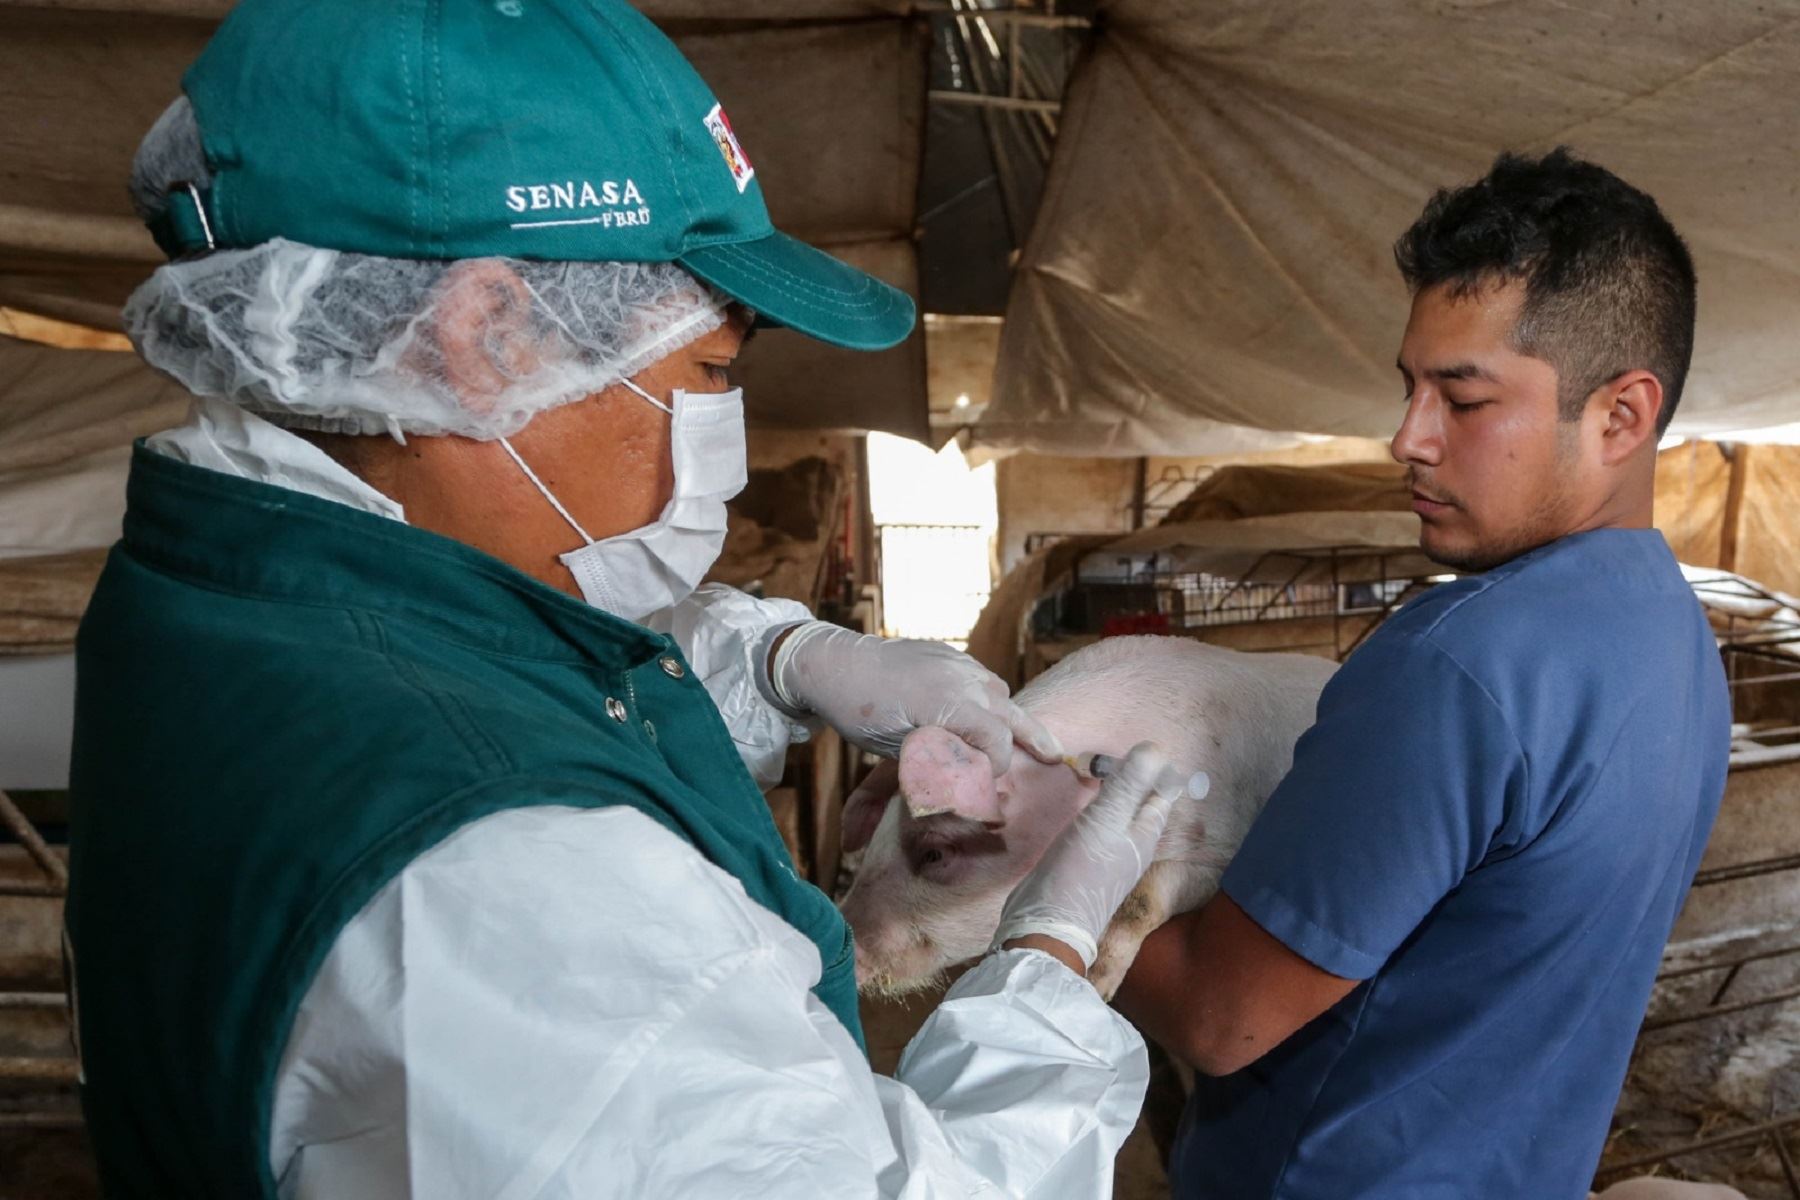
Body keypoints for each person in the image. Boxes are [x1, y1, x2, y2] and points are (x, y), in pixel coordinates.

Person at [61, 2, 1178, 1195]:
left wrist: (779, 660)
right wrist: (1051, 959)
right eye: (711, 368)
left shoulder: (215, 594)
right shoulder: (533, 880)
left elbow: (492, 667)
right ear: (486, 338)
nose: (722, 428)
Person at [1116, 148, 1730, 1197]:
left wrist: (1036, 873)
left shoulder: (1460, 662)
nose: (1408, 438)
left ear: (1621, 418)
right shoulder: (1678, 638)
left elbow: (1223, 1017)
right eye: (1410, 387)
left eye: (1465, 399)